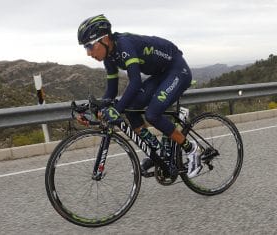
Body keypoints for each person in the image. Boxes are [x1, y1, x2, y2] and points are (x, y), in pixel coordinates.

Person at [77, 14, 201, 178]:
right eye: (85, 48)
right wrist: (96, 108)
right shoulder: (109, 58)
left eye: (89, 46)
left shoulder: (124, 45)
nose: (88, 53)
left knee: (152, 114)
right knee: (131, 110)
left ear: (105, 39)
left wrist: (116, 110)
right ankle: (158, 153)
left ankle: (191, 149)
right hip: (160, 74)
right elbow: (111, 92)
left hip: (177, 69)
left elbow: (135, 82)